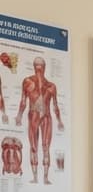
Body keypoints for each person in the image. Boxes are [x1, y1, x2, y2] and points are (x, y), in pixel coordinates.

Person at [16, 55, 64, 184]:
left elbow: (55, 106)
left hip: (45, 117)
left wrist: (59, 121)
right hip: (34, 116)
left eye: (40, 67)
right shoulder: (27, 82)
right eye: (37, 67)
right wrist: (19, 115)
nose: (38, 70)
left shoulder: (51, 86)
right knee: (34, 147)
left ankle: (45, 177)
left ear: (44, 68)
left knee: (45, 147)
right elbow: (23, 101)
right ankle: (37, 177)